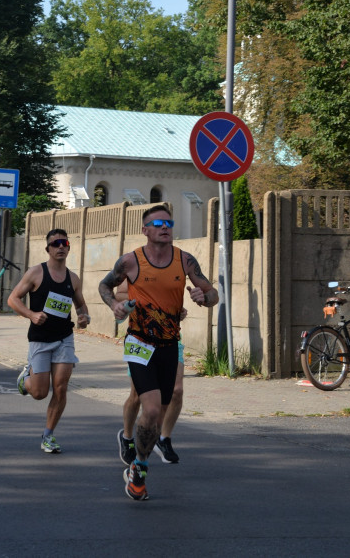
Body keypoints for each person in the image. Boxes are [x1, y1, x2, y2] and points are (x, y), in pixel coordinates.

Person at [98, 205, 218, 501]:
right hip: (139, 342)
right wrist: (113, 304)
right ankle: (139, 471)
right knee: (149, 408)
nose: (165, 227)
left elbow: (212, 294)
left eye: (169, 223)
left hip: (168, 345)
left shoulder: (185, 260)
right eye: (158, 223)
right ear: (146, 230)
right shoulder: (130, 261)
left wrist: (204, 297)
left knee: (162, 408)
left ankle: (139, 463)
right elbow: (104, 285)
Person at [7, 229, 90, 454]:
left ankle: (48, 435)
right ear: (48, 249)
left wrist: (84, 317)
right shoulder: (35, 273)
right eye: (55, 244)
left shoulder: (73, 278)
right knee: (39, 393)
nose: (60, 247)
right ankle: (25, 380)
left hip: (64, 338)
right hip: (40, 340)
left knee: (61, 388)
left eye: (64, 242)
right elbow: (13, 299)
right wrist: (31, 314)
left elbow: (81, 305)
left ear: (69, 246)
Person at [116, 279, 186, 465]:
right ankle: (127, 437)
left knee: (176, 391)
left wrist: (181, 309)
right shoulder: (138, 265)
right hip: (142, 339)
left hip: (170, 340)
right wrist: (145, 302)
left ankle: (163, 439)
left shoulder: (177, 264)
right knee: (137, 396)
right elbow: (119, 294)